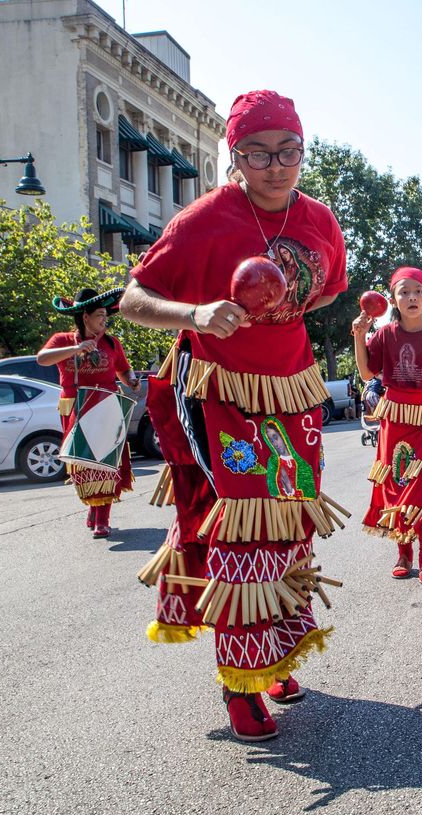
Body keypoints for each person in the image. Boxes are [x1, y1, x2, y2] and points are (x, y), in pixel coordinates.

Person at [119, 89, 349, 742]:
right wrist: (195, 314)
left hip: (293, 393)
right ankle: (238, 682)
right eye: (257, 152)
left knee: (290, 522)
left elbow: (326, 287)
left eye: (288, 151)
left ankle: (274, 655)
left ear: (302, 151)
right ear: (235, 157)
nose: (275, 166)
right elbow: (134, 298)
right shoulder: (204, 221)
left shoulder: (320, 221)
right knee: (245, 530)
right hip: (218, 391)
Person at [354, 266, 422, 584]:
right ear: (393, 300)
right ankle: (403, 554)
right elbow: (365, 373)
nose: (411, 297)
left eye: (417, 291)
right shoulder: (385, 334)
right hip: (393, 420)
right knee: (396, 485)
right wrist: (360, 336)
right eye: (404, 292)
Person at [38, 287, 140, 538]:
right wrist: (77, 349)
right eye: (100, 315)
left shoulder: (111, 343)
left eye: (106, 315)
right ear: (85, 317)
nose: (105, 320)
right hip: (77, 408)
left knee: (105, 464)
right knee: (83, 463)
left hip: (106, 406)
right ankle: (94, 509)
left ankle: (102, 518)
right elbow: (42, 359)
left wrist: (132, 379)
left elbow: (124, 371)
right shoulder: (62, 341)